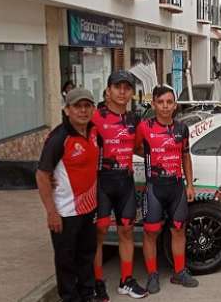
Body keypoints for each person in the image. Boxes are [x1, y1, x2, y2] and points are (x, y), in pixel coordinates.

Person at [36, 88, 99, 302]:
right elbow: (42, 175)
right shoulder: (58, 138)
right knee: (66, 261)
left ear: (93, 109)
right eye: (77, 106)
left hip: (89, 208)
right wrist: (51, 212)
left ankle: (87, 294)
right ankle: (70, 298)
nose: (83, 111)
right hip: (65, 212)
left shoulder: (93, 131)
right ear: (67, 110)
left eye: (87, 106)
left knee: (86, 255)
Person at [136, 85, 199, 293]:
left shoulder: (182, 128)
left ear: (175, 105)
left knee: (178, 230)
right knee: (151, 233)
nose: (165, 106)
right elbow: (136, 148)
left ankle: (179, 272)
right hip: (154, 186)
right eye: (160, 102)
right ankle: (152, 275)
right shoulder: (144, 127)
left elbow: (185, 156)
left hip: (176, 188)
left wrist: (190, 185)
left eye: (169, 102)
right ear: (154, 104)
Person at [91, 71, 146, 301]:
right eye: (117, 87)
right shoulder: (95, 117)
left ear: (132, 93)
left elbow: (139, 148)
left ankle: (126, 280)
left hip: (125, 182)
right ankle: (96, 282)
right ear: (108, 91)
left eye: (127, 87)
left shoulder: (135, 119)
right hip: (101, 182)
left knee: (126, 230)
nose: (122, 92)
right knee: (100, 231)